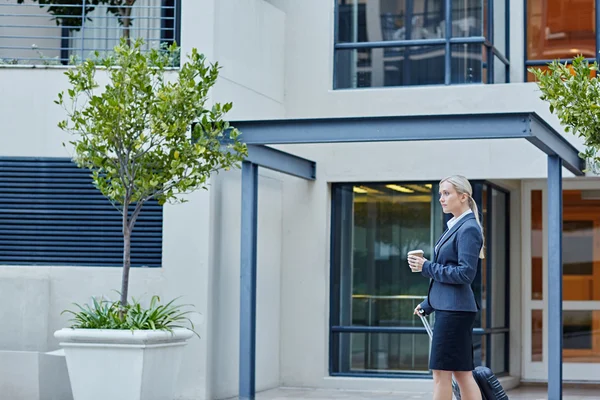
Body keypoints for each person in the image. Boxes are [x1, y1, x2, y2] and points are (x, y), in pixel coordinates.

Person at [408, 175, 484, 400]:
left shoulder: (468, 228)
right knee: (461, 373)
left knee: (442, 373)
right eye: (440, 193)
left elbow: (464, 274)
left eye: (446, 193)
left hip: (454, 313)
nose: (441, 198)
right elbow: (449, 275)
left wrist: (427, 266)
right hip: (453, 310)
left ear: (463, 197)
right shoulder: (457, 226)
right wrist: (428, 303)